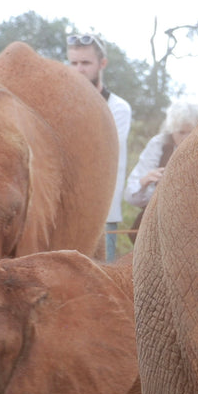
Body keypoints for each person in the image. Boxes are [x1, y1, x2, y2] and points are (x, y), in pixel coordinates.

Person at [66, 33, 130, 261]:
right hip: (67, 214)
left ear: (102, 64)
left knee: (102, 285)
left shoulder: (118, 108)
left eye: (85, 63)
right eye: (73, 63)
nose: (78, 70)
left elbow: (98, 155)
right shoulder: (63, 106)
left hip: (103, 213)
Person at [124, 99, 198, 237]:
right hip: (159, 226)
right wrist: (144, 182)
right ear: (172, 130)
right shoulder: (159, 145)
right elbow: (131, 197)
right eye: (181, 132)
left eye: (191, 132)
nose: (186, 138)